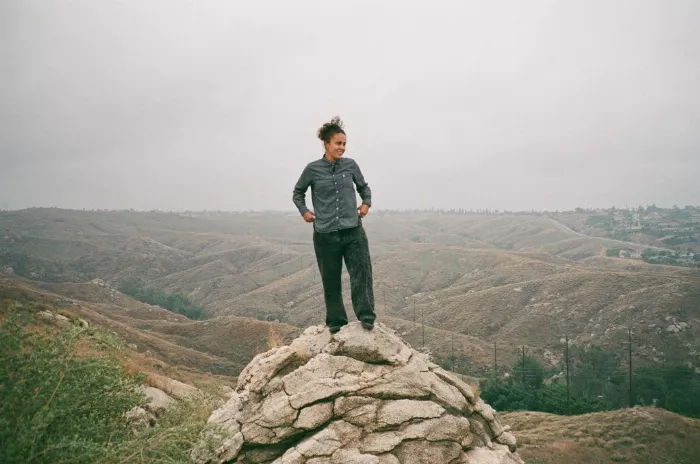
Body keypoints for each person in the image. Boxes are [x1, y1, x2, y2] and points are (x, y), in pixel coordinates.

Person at [292, 116, 376, 334]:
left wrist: (366, 204)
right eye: (338, 143)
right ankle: (336, 321)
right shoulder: (312, 169)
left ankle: (366, 316)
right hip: (325, 234)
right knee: (330, 279)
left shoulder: (351, 166)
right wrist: (304, 212)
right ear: (327, 144)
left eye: (344, 144)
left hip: (353, 231)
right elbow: (298, 192)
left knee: (362, 274)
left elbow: (364, 188)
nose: (342, 148)